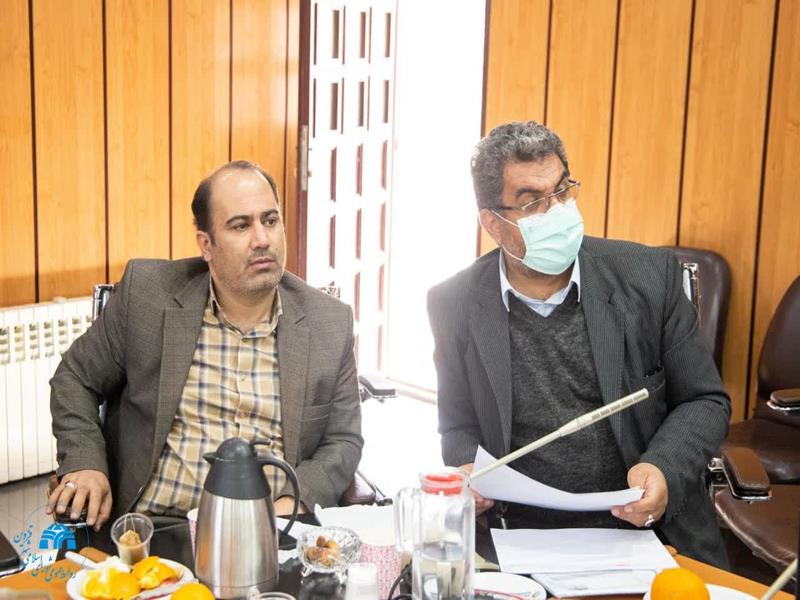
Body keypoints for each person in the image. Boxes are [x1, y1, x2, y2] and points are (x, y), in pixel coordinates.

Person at [427, 121, 730, 567]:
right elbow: (457, 426)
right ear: (492, 223)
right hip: (518, 535)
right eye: (533, 202)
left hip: (642, 530)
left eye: (563, 191)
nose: (556, 212)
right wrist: (469, 470)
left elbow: (705, 400)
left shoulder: (650, 277)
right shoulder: (453, 303)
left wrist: (663, 467)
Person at [48, 160, 363, 531]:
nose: (262, 239)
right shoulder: (148, 295)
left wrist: (293, 504)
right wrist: (86, 463)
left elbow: (343, 439)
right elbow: (75, 377)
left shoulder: (329, 323)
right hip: (157, 529)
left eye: (270, 220)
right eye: (241, 225)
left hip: (270, 530)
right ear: (206, 245)